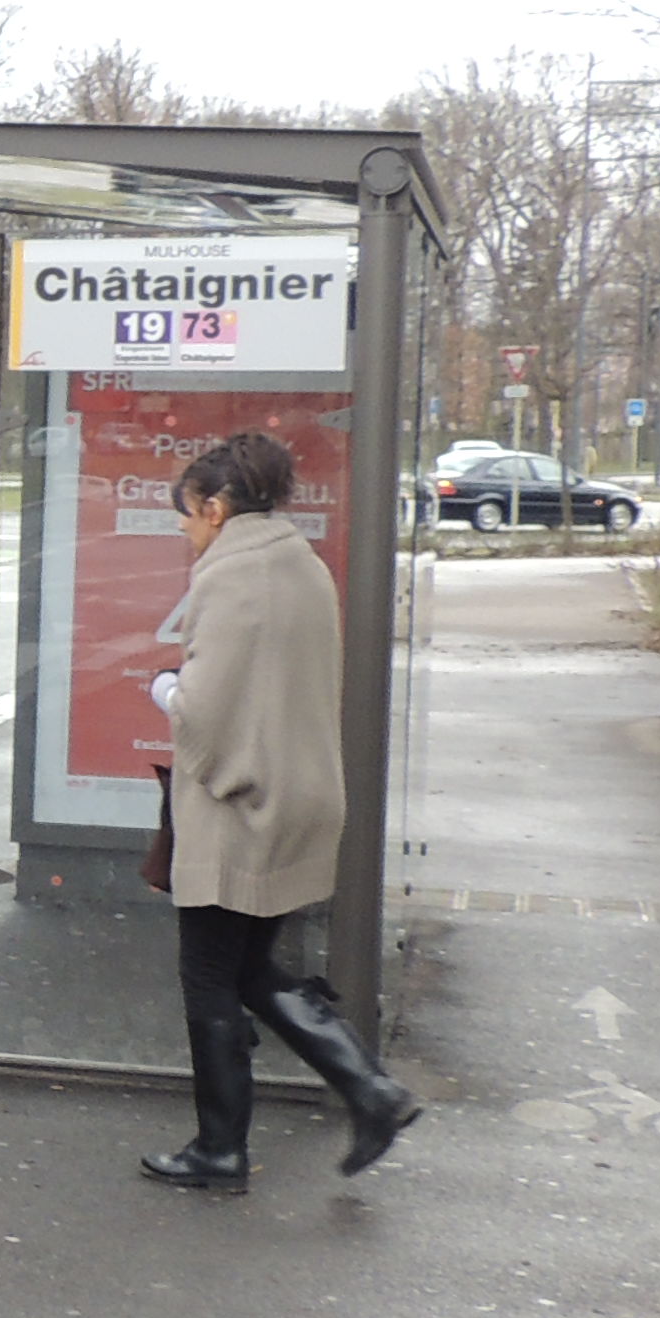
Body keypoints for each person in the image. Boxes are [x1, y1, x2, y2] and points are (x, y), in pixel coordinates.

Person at [141, 429, 418, 1189]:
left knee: (208, 975)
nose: (184, 528)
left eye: (187, 513)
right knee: (250, 967)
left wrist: (165, 690)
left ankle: (221, 1149)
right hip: (298, 797)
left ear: (216, 507)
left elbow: (207, 716)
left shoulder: (231, 578)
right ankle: (371, 1091)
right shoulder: (301, 564)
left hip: (241, 809)